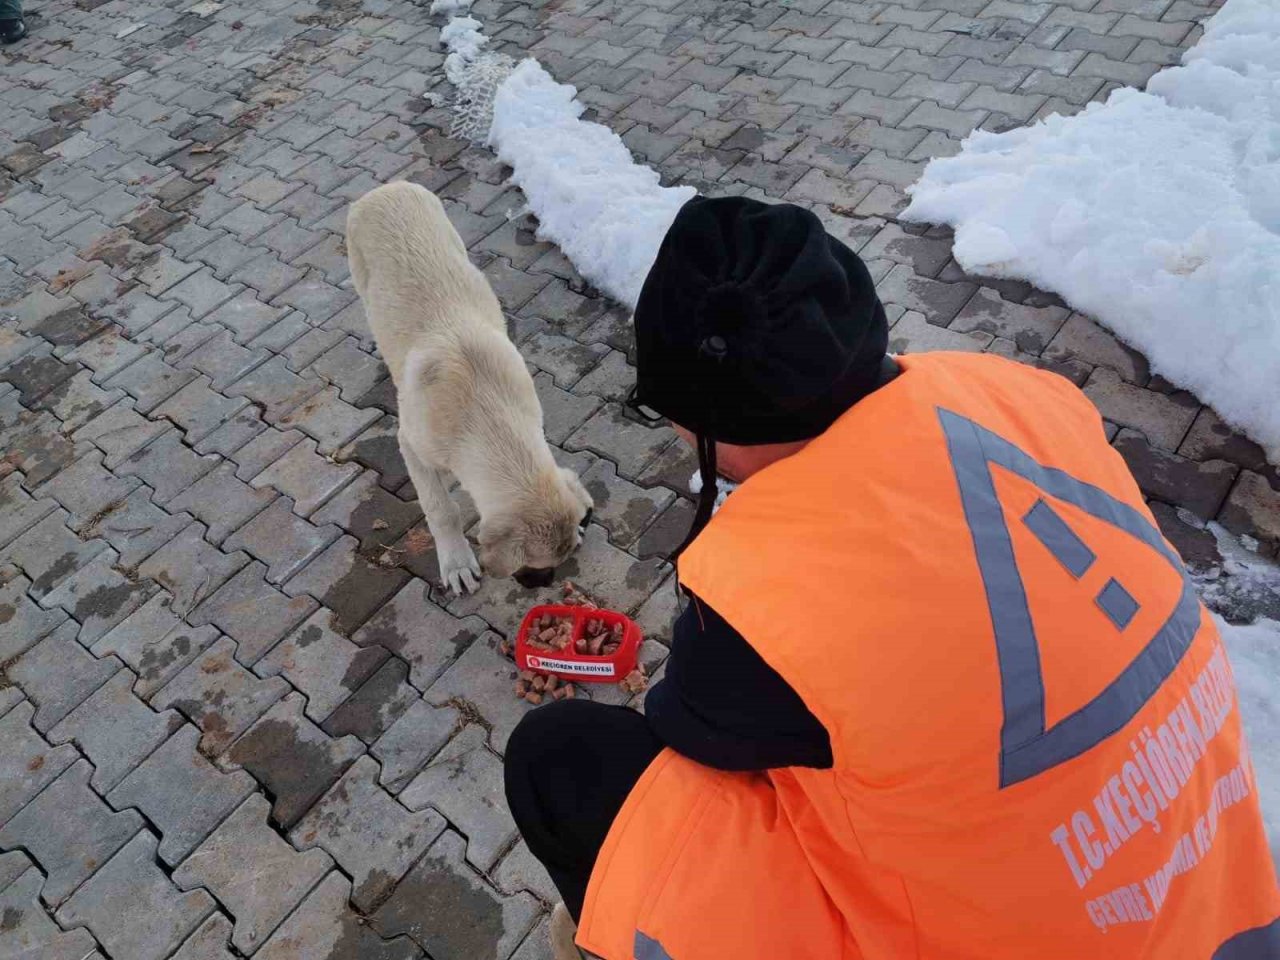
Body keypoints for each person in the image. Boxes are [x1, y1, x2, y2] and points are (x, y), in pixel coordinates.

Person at [503, 197, 1280, 960]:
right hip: (1217, 893)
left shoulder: (758, 601)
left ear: (715, 423)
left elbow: (689, 727)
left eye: (669, 413)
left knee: (562, 758)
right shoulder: (1012, 390)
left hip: (1029, 936)